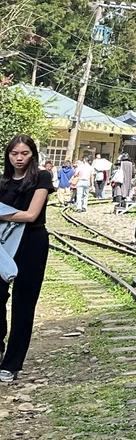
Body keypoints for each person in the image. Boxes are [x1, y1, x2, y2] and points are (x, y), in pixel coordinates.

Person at [0, 135, 53, 382]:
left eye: (24, 153)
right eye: (14, 154)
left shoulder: (42, 177)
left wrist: (4, 216)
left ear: (33, 154)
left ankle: (11, 364)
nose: (19, 158)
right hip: (3, 245)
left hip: (32, 242)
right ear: (8, 155)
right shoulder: (2, 181)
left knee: (24, 303)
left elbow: (32, 215)